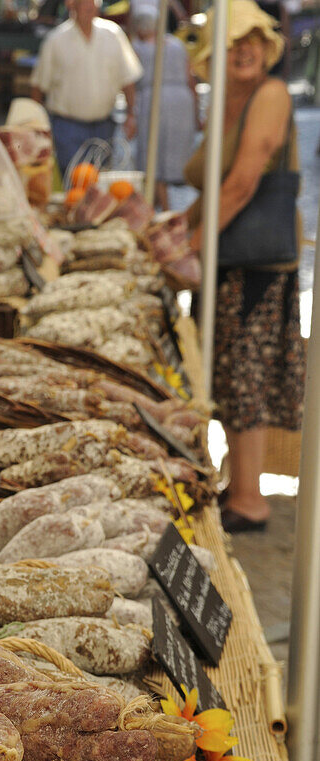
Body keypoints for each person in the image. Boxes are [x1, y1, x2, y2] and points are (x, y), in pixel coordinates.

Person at [184, 0, 304, 533]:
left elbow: (240, 183)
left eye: (252, 39)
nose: (244, 50)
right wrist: (174, 228)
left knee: (247, 375)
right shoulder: (231, 103)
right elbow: (212, 184)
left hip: (255, 265)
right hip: (231, 260)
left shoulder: (271, 95)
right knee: (231, 375)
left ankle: (251, 498)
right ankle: (240, 483)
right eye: (231, 43)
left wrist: (188, 244)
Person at [31, 0, 143, 180]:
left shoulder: (113, 34)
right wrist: (36, 126)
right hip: (67, 127)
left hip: (104, 125)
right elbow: (38, 86)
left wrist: (132, 113)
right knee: (73, 180)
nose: (89, 6)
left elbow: (127, 78)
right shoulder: (56, 40)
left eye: (93, 1)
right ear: (71, 5)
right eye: (84, 2)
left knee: (99, 182)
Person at [131, 4, 198, 210]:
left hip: (156, 102)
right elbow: (191, 80)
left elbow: (130, 81)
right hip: (181, 102)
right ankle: (160, 204)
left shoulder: (139, 48)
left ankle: (163, 208)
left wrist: (130, 112)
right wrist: (197, 114)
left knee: (155, 158)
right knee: (165, 156)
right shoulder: (177, 44)